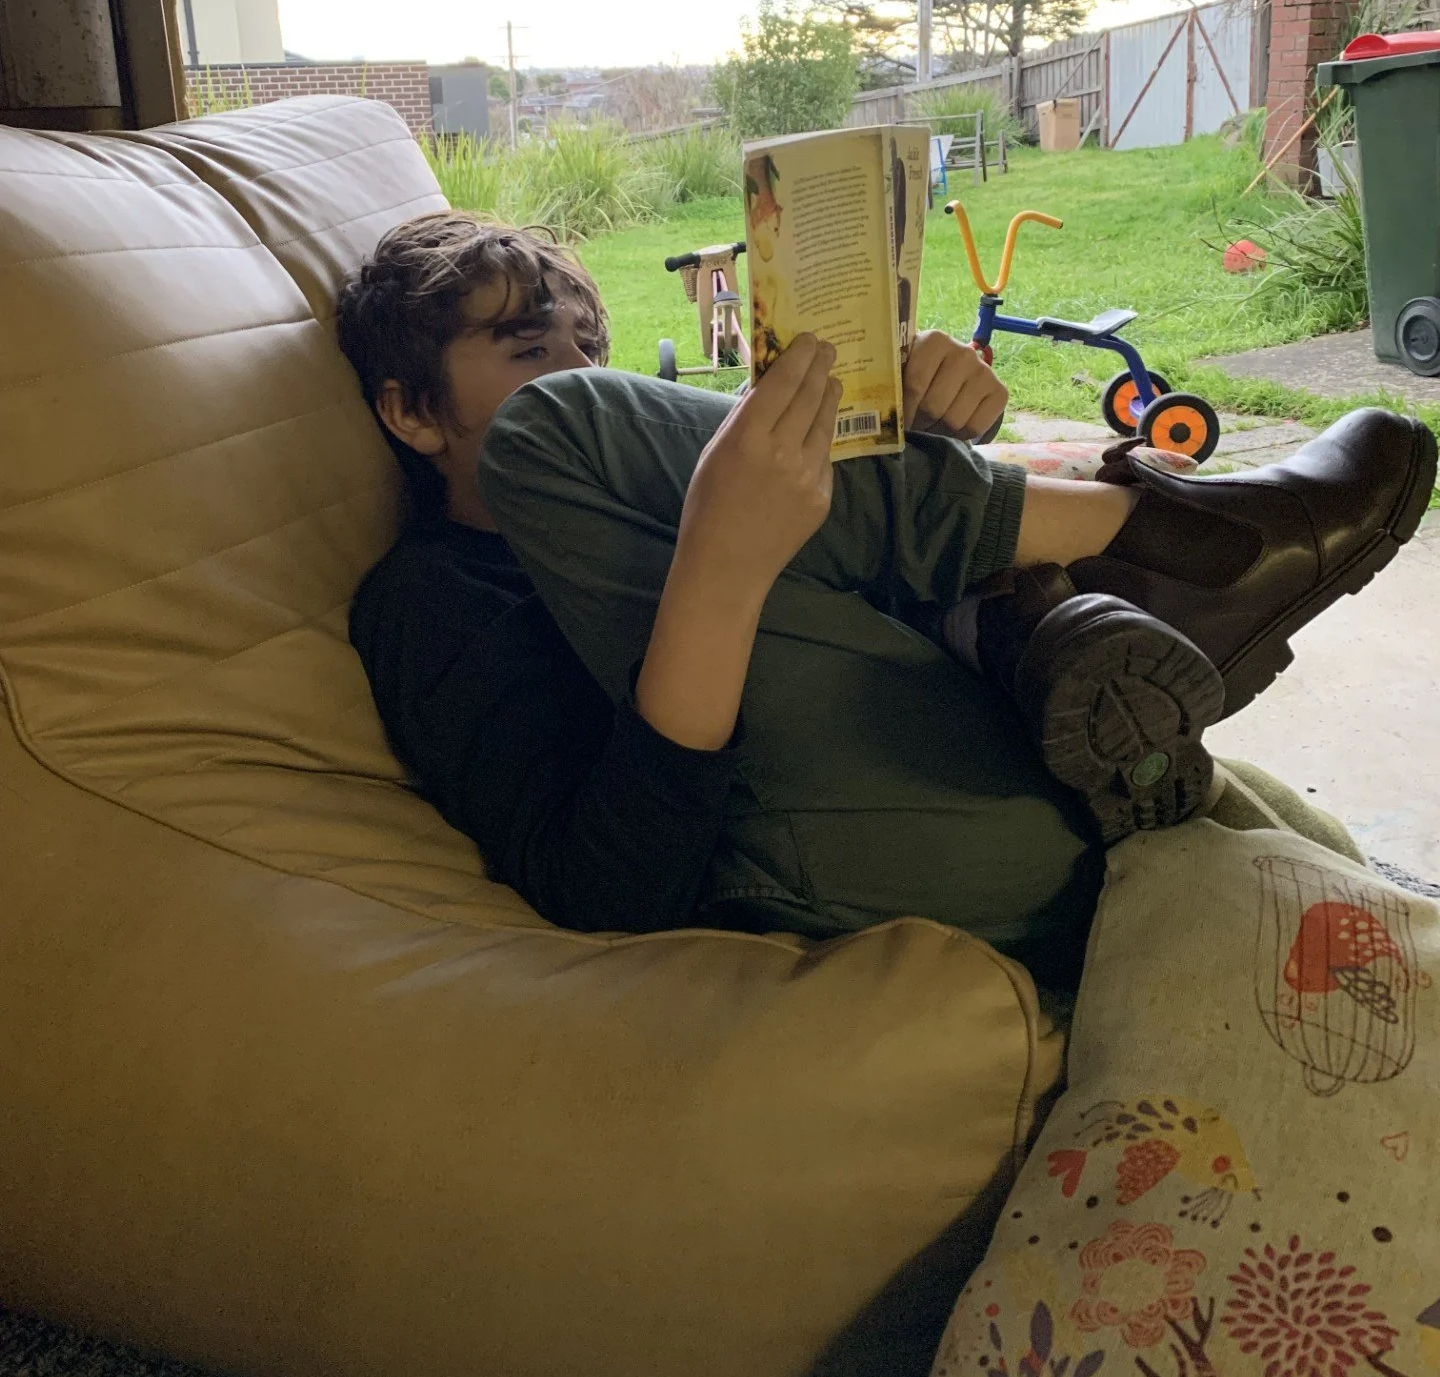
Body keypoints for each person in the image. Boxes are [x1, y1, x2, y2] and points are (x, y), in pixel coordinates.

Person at [336, 214, 1435, 988]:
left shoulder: (629, 496)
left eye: (592, 346)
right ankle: (1166, 544)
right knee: (555, 437)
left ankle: (1077, 599)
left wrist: (916, 439)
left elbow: (844, 624)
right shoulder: (429, 601)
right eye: (532, 349)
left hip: (1004, 758)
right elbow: (599, 890)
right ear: (412, 413)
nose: (581, 369)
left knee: (775, 472)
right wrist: (723, 562)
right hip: (867, 860)